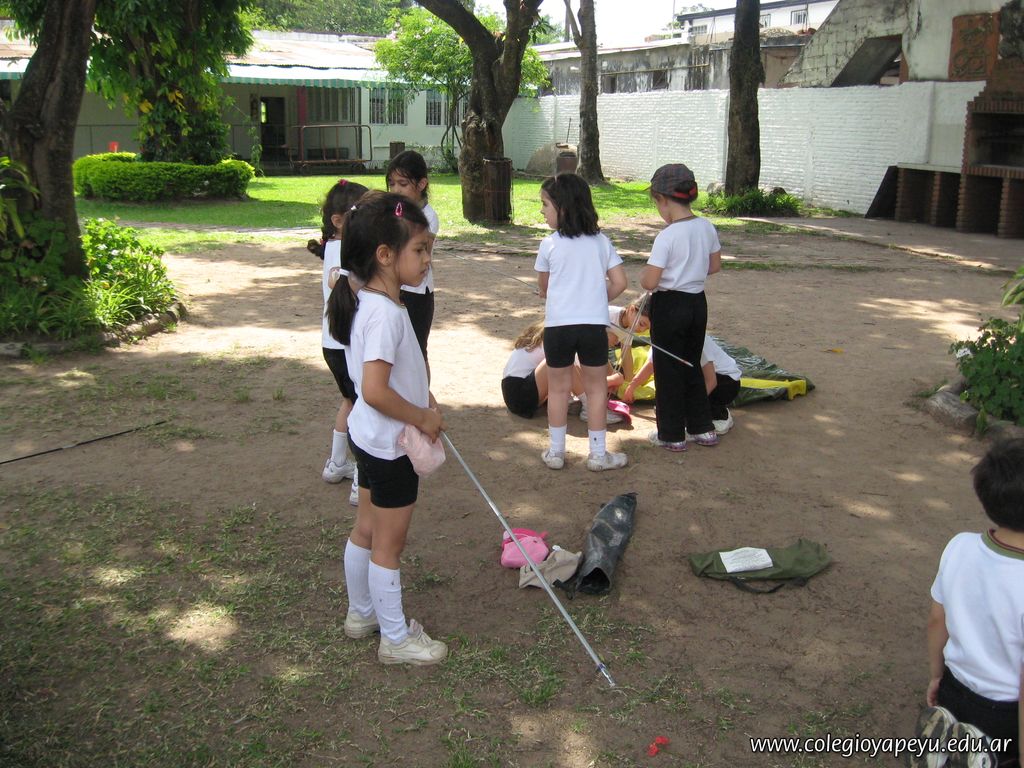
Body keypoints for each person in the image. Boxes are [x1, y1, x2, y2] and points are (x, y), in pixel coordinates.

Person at [324, 191, 447, 666]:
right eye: (419, 250)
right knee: (389, 543)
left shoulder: (376, 303)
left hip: (370, 438)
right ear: (385, 255)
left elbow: (388, 379)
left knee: (367, 528)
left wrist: (423, 395)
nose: (427, 259)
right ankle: (394, 639)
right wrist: (423, 417)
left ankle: (361, 614)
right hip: (391, 447)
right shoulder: (384, 315)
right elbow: (374, 389)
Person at [913, 438, 1024, 768]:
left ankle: (952, 742)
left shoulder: (959, 546)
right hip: (1005, 711)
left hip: (953, 689)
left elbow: (937, 621)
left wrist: (936, 677)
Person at [535, 173, 628, 471]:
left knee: (558, 389)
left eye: (545, 204)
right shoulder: (601, 242)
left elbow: (543, 287)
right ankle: (598, 455)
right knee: (596, 389)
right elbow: (620, 282)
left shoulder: (548, 244)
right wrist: (596, 300)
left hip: (558, 328)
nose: (542, 211)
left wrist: (560, 295)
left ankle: (556, 452)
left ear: (563, 207)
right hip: (592, 328)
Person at [640, 163, 721, 452]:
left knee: (668, 368)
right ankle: (702, 428)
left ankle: (671, 433)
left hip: (670, 305)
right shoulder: (706, 226)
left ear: (662, 199)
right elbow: (714, 265)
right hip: (697, 303)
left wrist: (646, 277)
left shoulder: (667, 236)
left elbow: (650, 282)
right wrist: (690, 271)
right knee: (692, 363)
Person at [308, 179, 369, 506]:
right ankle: (361, 478)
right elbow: (337, 279)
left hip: (334, 343)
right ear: (339, 221)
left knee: (350, 402)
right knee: (362, 408)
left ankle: (337, 464)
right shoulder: (339, 249)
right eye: (361, 215)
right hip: (343, 345)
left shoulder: (340, 247)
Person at [501, 320, 624, 424]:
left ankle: (571, 402)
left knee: (562, 364)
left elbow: (576, 375)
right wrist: (611, 380)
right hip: (519, 392)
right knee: (563, 361)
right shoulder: (559, 338)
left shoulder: (549, 333)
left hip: (513, 391)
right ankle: (590, 409)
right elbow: (583, 376)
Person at [619, 334, 739, 436]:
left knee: (686, 417)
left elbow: (711, 381)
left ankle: (720, 416)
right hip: (702, 378)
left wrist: (690, 406)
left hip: (725, 382)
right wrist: (632, 387)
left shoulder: (696, 341)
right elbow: (650, 366)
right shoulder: (663, 338)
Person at [386, 150, 439, 363]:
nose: (396, 190)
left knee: (417, 352)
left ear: (422, 184)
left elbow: (422, 253)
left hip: (417, 293)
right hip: (395, 287)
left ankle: (421, 386)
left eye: (403, 184)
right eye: (392, 184)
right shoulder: (393, 210)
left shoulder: (428, 216)